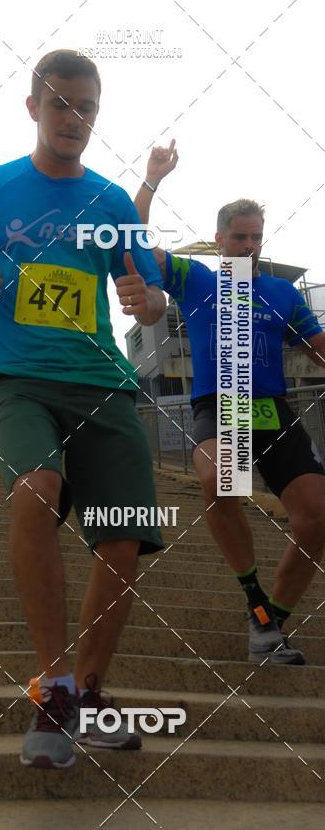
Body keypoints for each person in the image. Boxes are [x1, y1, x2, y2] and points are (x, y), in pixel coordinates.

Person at [0, 49, 167, 769]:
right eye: (60, 103)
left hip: (101, 382)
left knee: (121, 539)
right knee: (37, 487)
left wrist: (147, 301)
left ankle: (86, 696)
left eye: (86, 107)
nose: (74, 118)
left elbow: (151, 293)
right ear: (33, 106)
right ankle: (54, 687)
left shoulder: (113, 202)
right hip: (17, 379)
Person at [141, 141, 325, 665]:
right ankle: (255, 600)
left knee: (316, 517)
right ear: (219, 239)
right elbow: (134, 242)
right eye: (239, 236)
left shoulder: (282, 293)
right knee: (223, 477)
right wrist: (152, 180)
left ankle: (269, 625)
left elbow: (317, 347)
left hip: (273, 408)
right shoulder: (196, 278)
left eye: (256, 237)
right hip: (222, 406)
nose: (248, 245)